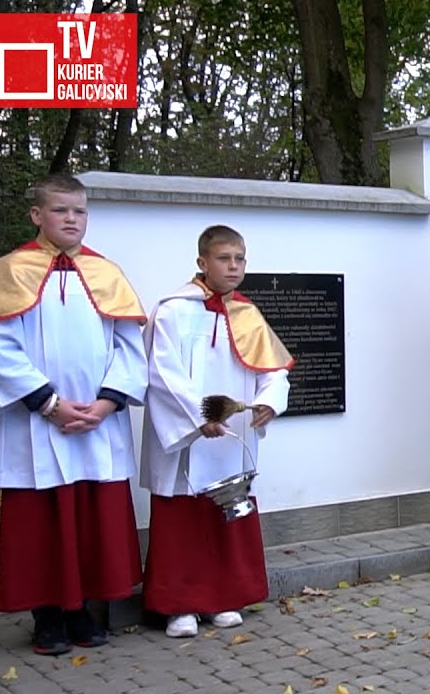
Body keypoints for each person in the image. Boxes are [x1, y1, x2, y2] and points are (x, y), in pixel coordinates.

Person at [0, 174, 147, 655]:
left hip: (98, 420)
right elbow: (0, 348)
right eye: (61, 211)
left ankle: (83, 610)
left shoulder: (107, 274)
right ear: (37, 215)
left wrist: (106, 402)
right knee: (43, 521)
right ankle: (48, 616)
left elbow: (128, 345)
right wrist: (50, 404)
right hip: (37, 422)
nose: (72, 219)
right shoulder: (11, 271)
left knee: (90, 516)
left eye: (79, 211)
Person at [139, 225, 293, 638]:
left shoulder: (247, 313)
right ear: (202, 262)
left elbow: (275, 369)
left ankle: (225, 597)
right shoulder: (172, 310)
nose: (234, 266)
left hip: (230, 437)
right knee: (181, 517)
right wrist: (198, 416)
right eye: (225, 258)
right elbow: (161, 373)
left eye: (240, 259)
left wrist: (269, 401)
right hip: (190, 437)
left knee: (226, 509)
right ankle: (179, 606)